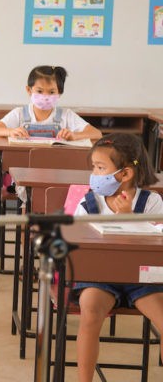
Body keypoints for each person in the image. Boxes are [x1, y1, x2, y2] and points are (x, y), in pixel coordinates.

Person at [72, 133, 163, 382]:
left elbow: (158, 243)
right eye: (94, 167)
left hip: (142, 277)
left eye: (101, 168)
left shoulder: (152, 202)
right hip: (99, 276)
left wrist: (132, 220)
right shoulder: (89, 202)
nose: (95, 174)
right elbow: (76, 240)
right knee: (90, 312)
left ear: (125, 174)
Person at [0, 65, 101, 141]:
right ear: (29, 90)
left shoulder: (66, 115)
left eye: (51, 92)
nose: (45, 97)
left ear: (59, 93)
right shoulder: (19, 113)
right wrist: (11, 131)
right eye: (40, 91)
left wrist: (75, 135)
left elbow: (97, 134)